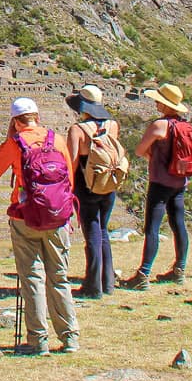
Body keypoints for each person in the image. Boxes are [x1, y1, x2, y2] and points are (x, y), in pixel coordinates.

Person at [0, 97, 79, 354]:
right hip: (58, 217)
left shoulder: (15, 144)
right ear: (37, 116)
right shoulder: (57, 140)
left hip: (25, 218)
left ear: (15, 121)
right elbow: (68, 180)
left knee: (32, 278)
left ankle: (38, 340)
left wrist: (8, 141)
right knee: (59, 278)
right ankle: (70, 337)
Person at [123, 83, 192, 290]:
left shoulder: (159, 126)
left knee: (152, 228)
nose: (155, 103)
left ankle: (143, 274)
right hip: (179, 182)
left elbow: (139, 149)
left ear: (164, 104)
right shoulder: (184, 126)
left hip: (160, 183)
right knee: (178, 224)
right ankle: (179, 270)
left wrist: (152, 156)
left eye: (158, 100)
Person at [65, 84, 120, 297]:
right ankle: (107, 283)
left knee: (92, 234)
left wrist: (67, 192)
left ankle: (93, 286)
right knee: (103, 231)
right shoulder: (112, 125)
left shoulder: (77, 130)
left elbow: (72, 161)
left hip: (85, 185)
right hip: (107, 183)